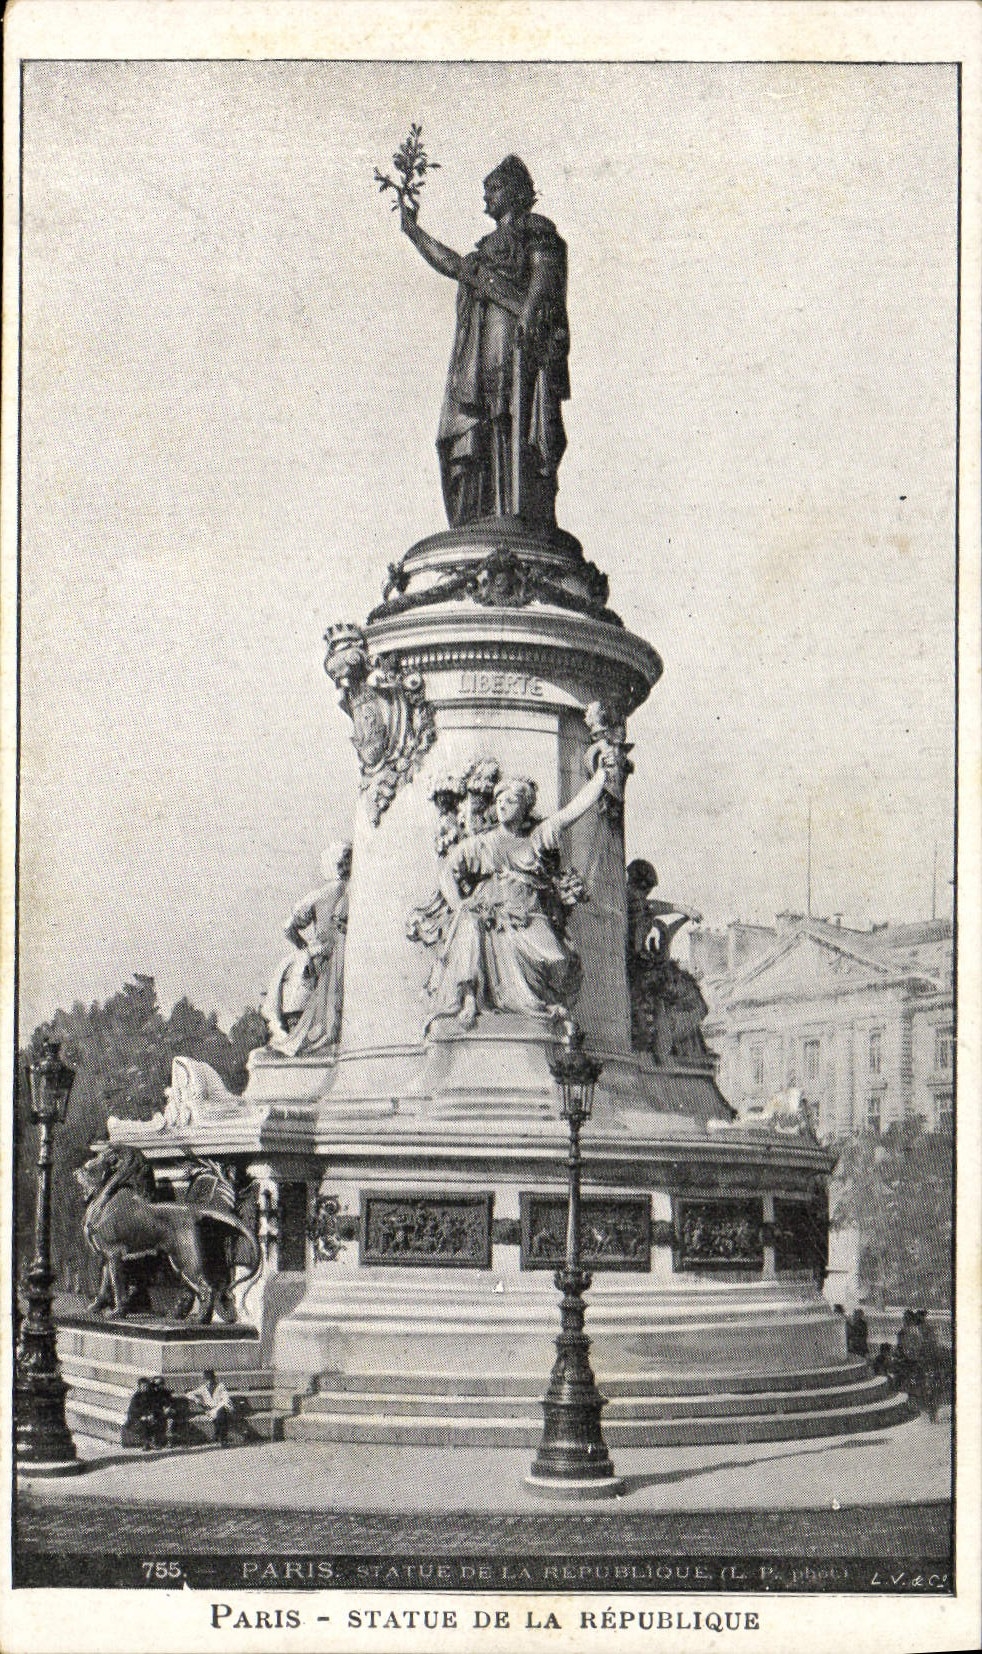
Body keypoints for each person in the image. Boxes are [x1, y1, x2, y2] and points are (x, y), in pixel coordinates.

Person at [400, 155, 570, 529]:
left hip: (514, 338)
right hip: (481, 352)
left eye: (492, 190)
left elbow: (544, 274)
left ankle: (517, 508)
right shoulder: (482, 256)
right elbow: (453, 265)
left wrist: (527, 315)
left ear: (514, 191)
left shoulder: (534, 229)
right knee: (488, 422)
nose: (485, 201)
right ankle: (489, 510)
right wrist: (414, 232)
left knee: (512, 417)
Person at [415, 757, 611, 1031]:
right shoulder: (482, 843)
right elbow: (448, 869)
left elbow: (572, 812)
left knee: (558, 960)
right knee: (470, 924)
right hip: (491, 914)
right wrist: (459, 904)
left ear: (525, 806)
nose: (503, 804)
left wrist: (602, 775)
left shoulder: (537, 837)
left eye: (512, 800)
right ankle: (470, 997)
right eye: (500, 799)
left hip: (529, 915)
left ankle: (538, 1003)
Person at [264, 842, 352, 1055]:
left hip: (320, 958)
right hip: (346, 957)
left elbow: (288, 928)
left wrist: (303, 948)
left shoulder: (318, 896)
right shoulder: (355, 891)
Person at [187, 1369, 236, 1448]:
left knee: (221, 1413)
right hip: (211, 1410)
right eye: (208, 1378)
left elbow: (225, 1399)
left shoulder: (221, 1386)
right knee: (217, 1415)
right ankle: (219, 1435)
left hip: (222, 1407)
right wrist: (197, 1400)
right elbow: (189, 1394)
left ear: (214, 1378)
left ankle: (223, 1438)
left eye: (211, 1378)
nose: (210, 1380)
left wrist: (218, 1408)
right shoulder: (203, 1388)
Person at [121, 1376, 169, 1451]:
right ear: (139, 1387)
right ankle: (146, 1443)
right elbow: (134, 1411)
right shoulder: (136, 1397)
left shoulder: (150, 1396)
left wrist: (152, 1414)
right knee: (143, 1424)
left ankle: (157, 1441)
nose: (145, 1388)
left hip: (149, 1417)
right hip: (136, 1419)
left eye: (146, 1386)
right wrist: (143, 1416)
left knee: (159, 1420)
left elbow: (154, 1406)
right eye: (143, 1386)